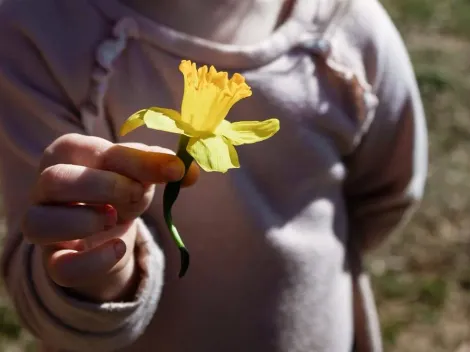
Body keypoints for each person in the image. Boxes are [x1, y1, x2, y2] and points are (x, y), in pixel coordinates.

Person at [0, 0, 428, 351]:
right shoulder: (34, 35)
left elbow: (386, 194)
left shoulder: (349, 32)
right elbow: (39, 272)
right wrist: (96, 274)